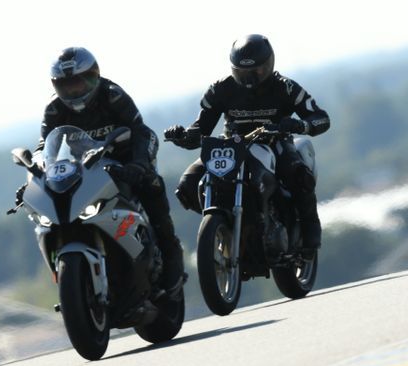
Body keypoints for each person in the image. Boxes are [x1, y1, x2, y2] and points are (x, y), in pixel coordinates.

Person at [17, 47, 185, 304]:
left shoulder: (113, 96)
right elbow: (45, 147)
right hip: (86, 165)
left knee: (150, 184)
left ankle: (170, 250)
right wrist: (35, 178)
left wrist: (139, 165)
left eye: (78, 83)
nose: (73, 91)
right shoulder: (54, 109)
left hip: (127, 156)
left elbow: (139, 131)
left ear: (93, 76)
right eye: (66, 85)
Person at [164, 34, 330, 251]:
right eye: (243, 72)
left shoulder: (286, 87)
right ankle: (226, 223)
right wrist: (182, 136)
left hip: (275, 142)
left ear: (269, 64)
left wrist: (300, 125)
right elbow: (200, 130)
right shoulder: (220, 89)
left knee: (299, 176)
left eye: (257, 70)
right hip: (230, 147)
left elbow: (321, 118)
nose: (250, 78)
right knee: (187, 186)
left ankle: (309, 232)